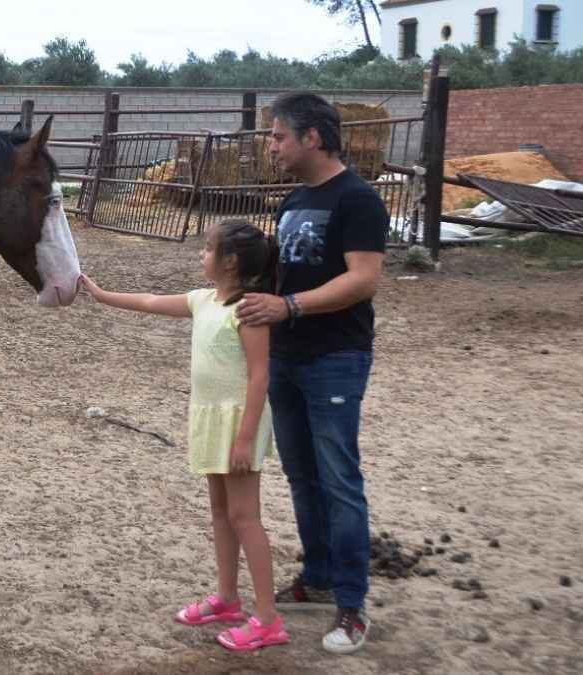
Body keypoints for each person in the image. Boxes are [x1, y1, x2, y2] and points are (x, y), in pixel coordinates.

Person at [79, 219, 287, 652]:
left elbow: (260, 376)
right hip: (211, 419)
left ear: (230, 262)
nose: (201, 254)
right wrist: (100, 294)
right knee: (220, 511)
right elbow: (149, 301)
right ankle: (227, 598)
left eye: (208, 248)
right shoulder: (202, 300)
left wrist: (246, 437)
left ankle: (268, 620)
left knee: (245, 517)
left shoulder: (248, 312)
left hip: (237, 424)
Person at [236, 91, 389, 655]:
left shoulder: (358, 200)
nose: (272, 147)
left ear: (313, 137)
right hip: (287, 356)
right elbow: (284, 275)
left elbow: (363, 279)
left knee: (339, 480)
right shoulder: (294, 200)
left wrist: (290, 307)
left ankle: (351, 602)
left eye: (279, 136)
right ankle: (319, 576)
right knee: (302, 476)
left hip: (335, 359)